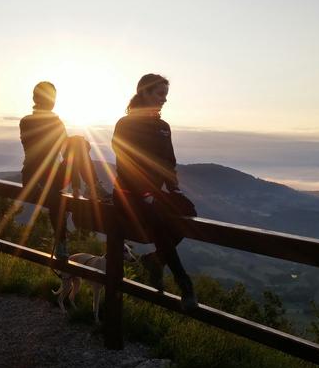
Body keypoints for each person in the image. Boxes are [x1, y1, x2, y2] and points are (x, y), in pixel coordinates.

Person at [112, 73, 198, 311]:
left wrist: (175, 190)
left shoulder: (163, 127)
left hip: (153, 193)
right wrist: (144, 194)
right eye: (160, 94)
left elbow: (169, 162)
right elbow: (124, 163)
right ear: (144, 93)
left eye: (165, 95)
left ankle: (155, 259)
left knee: (189, 212)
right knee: (159, 219)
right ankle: (184, 283)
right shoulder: (125, 124)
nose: (164, 100)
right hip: (128, 192)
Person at [19, 81, 106, 260]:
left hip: (52, 175)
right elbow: (38, 151)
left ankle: (93, 185)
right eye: (46, 97)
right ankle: (61, 242)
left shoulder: (56, 122)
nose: (51, 101)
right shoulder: (27, 121)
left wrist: (80, 145)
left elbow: (68, 152)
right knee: (54, 196)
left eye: (53, 97)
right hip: (34, 178)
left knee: (79, 143)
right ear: (36, 98)